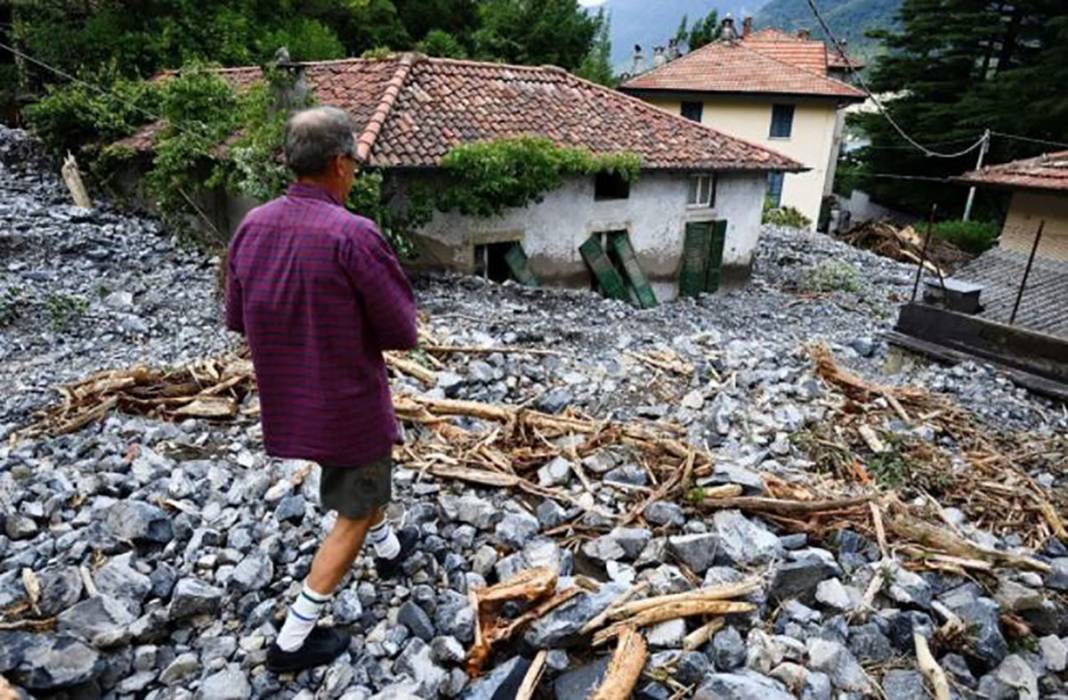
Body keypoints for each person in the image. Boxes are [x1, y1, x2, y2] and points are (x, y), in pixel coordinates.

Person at [225, 105, 419, 673]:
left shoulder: (252, 224)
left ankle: (388, 553)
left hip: (290, 399)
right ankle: (294, 639)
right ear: (339, 163)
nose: (354, 172)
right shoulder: (354, 234)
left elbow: (238, 317)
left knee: (359, 483)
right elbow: (401, 331)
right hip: (348, 403)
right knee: (354, 507)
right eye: (354, 163)